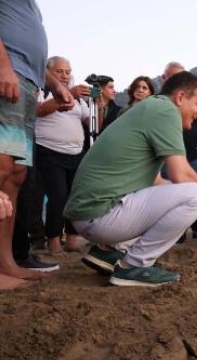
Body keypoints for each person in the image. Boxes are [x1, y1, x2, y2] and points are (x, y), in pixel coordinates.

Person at [64, 71, 197, 287]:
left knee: (186, 192)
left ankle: (108, 251)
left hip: (88, 214)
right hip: (99, 215)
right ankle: (133, 266)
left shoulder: (150, 109)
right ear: (181, 97)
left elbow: (157, 183)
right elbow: (180, 174)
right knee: (195, 195)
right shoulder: (166, 110)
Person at [1, 0, 75, 289]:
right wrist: (3, 65)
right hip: (8, 76)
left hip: (27, 83)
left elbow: (30, 51)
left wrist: (55, 85)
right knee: (2, 167)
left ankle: (6, 261)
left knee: (16, 174)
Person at [35, 56, 90, 253]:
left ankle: (73, 238)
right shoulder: (42, 87)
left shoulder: (78, 93)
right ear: (49, 72)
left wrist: (97, 105)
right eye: (60, 71)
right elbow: (37, 111)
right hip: (49, 150)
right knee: (58, 196)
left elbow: (88, 121)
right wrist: (68, 95)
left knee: (75, 196)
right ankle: (53, 239)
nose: (65, 75)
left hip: (76, 152)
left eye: (68, 71)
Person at [161, 62, 197, 242]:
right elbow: (178, 175)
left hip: (195, 153)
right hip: (104, 209)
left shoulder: (159, 108)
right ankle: (174, 232)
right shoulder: (163, 113)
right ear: (180, 96)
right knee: (177, 191)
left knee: (194, 191)